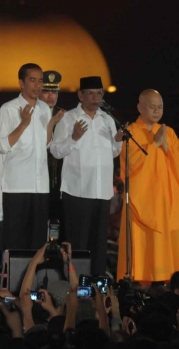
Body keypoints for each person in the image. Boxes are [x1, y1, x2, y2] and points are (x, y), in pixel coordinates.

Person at [51, 76, 123, 275]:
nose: (95, 97)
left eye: (99, 93)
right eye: (90, 93)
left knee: (99, 241)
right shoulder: (69, 118)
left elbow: (113, 152)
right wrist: (74, 137)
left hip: (102, 191)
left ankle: (97, 283)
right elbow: (56, 151)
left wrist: (117, 141)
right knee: (78, 241)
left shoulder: (107, 119)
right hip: (77, 191)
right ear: (80, 95)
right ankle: (75, 283)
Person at [117, 89, 179, 282]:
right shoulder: (130, 132)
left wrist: (165, 147)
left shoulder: (168, 132)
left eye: (160, 107)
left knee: (165, 240)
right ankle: (141, 280)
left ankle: (167, 279)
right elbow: (130, 163)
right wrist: (154, 145)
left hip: (164, 200)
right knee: (142, 245)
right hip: (141, 201)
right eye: (152, 106)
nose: (157, 111)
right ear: (140, 108)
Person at [0, 63, 64, 250]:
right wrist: (23, 124)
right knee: (15, 242)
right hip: (17, 185)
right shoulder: (9, 109)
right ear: (21, 83)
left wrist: (51, 125)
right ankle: (13, 279)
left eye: (40, 81)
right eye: (32, 80)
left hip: (40, 185)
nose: (37, 85)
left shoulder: (44, 108)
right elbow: (3, 145)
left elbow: (45, 145)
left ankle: (34, 279)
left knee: (37, 242)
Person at [40, 70, 64, 235]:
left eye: (54, 92)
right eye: (46, 91)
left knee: (61, 224)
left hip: (61, 177)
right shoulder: (32, 114)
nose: (51, 96)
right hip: (39, 174)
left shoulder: (65, 116)